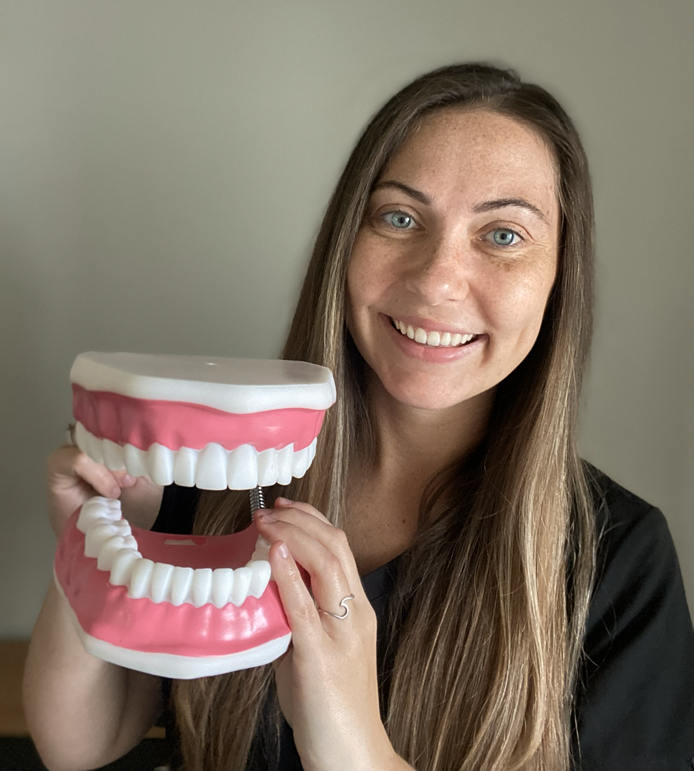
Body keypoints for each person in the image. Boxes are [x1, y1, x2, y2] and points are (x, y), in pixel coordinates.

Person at [24, 63, 694, 771]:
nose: (436, 280)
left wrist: (353, 745)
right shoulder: (219, 469)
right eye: (399, 218)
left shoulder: (620, 557)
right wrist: (95, 540)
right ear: (347, 243)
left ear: (558, 278)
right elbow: (83, 743)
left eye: (503, 235)